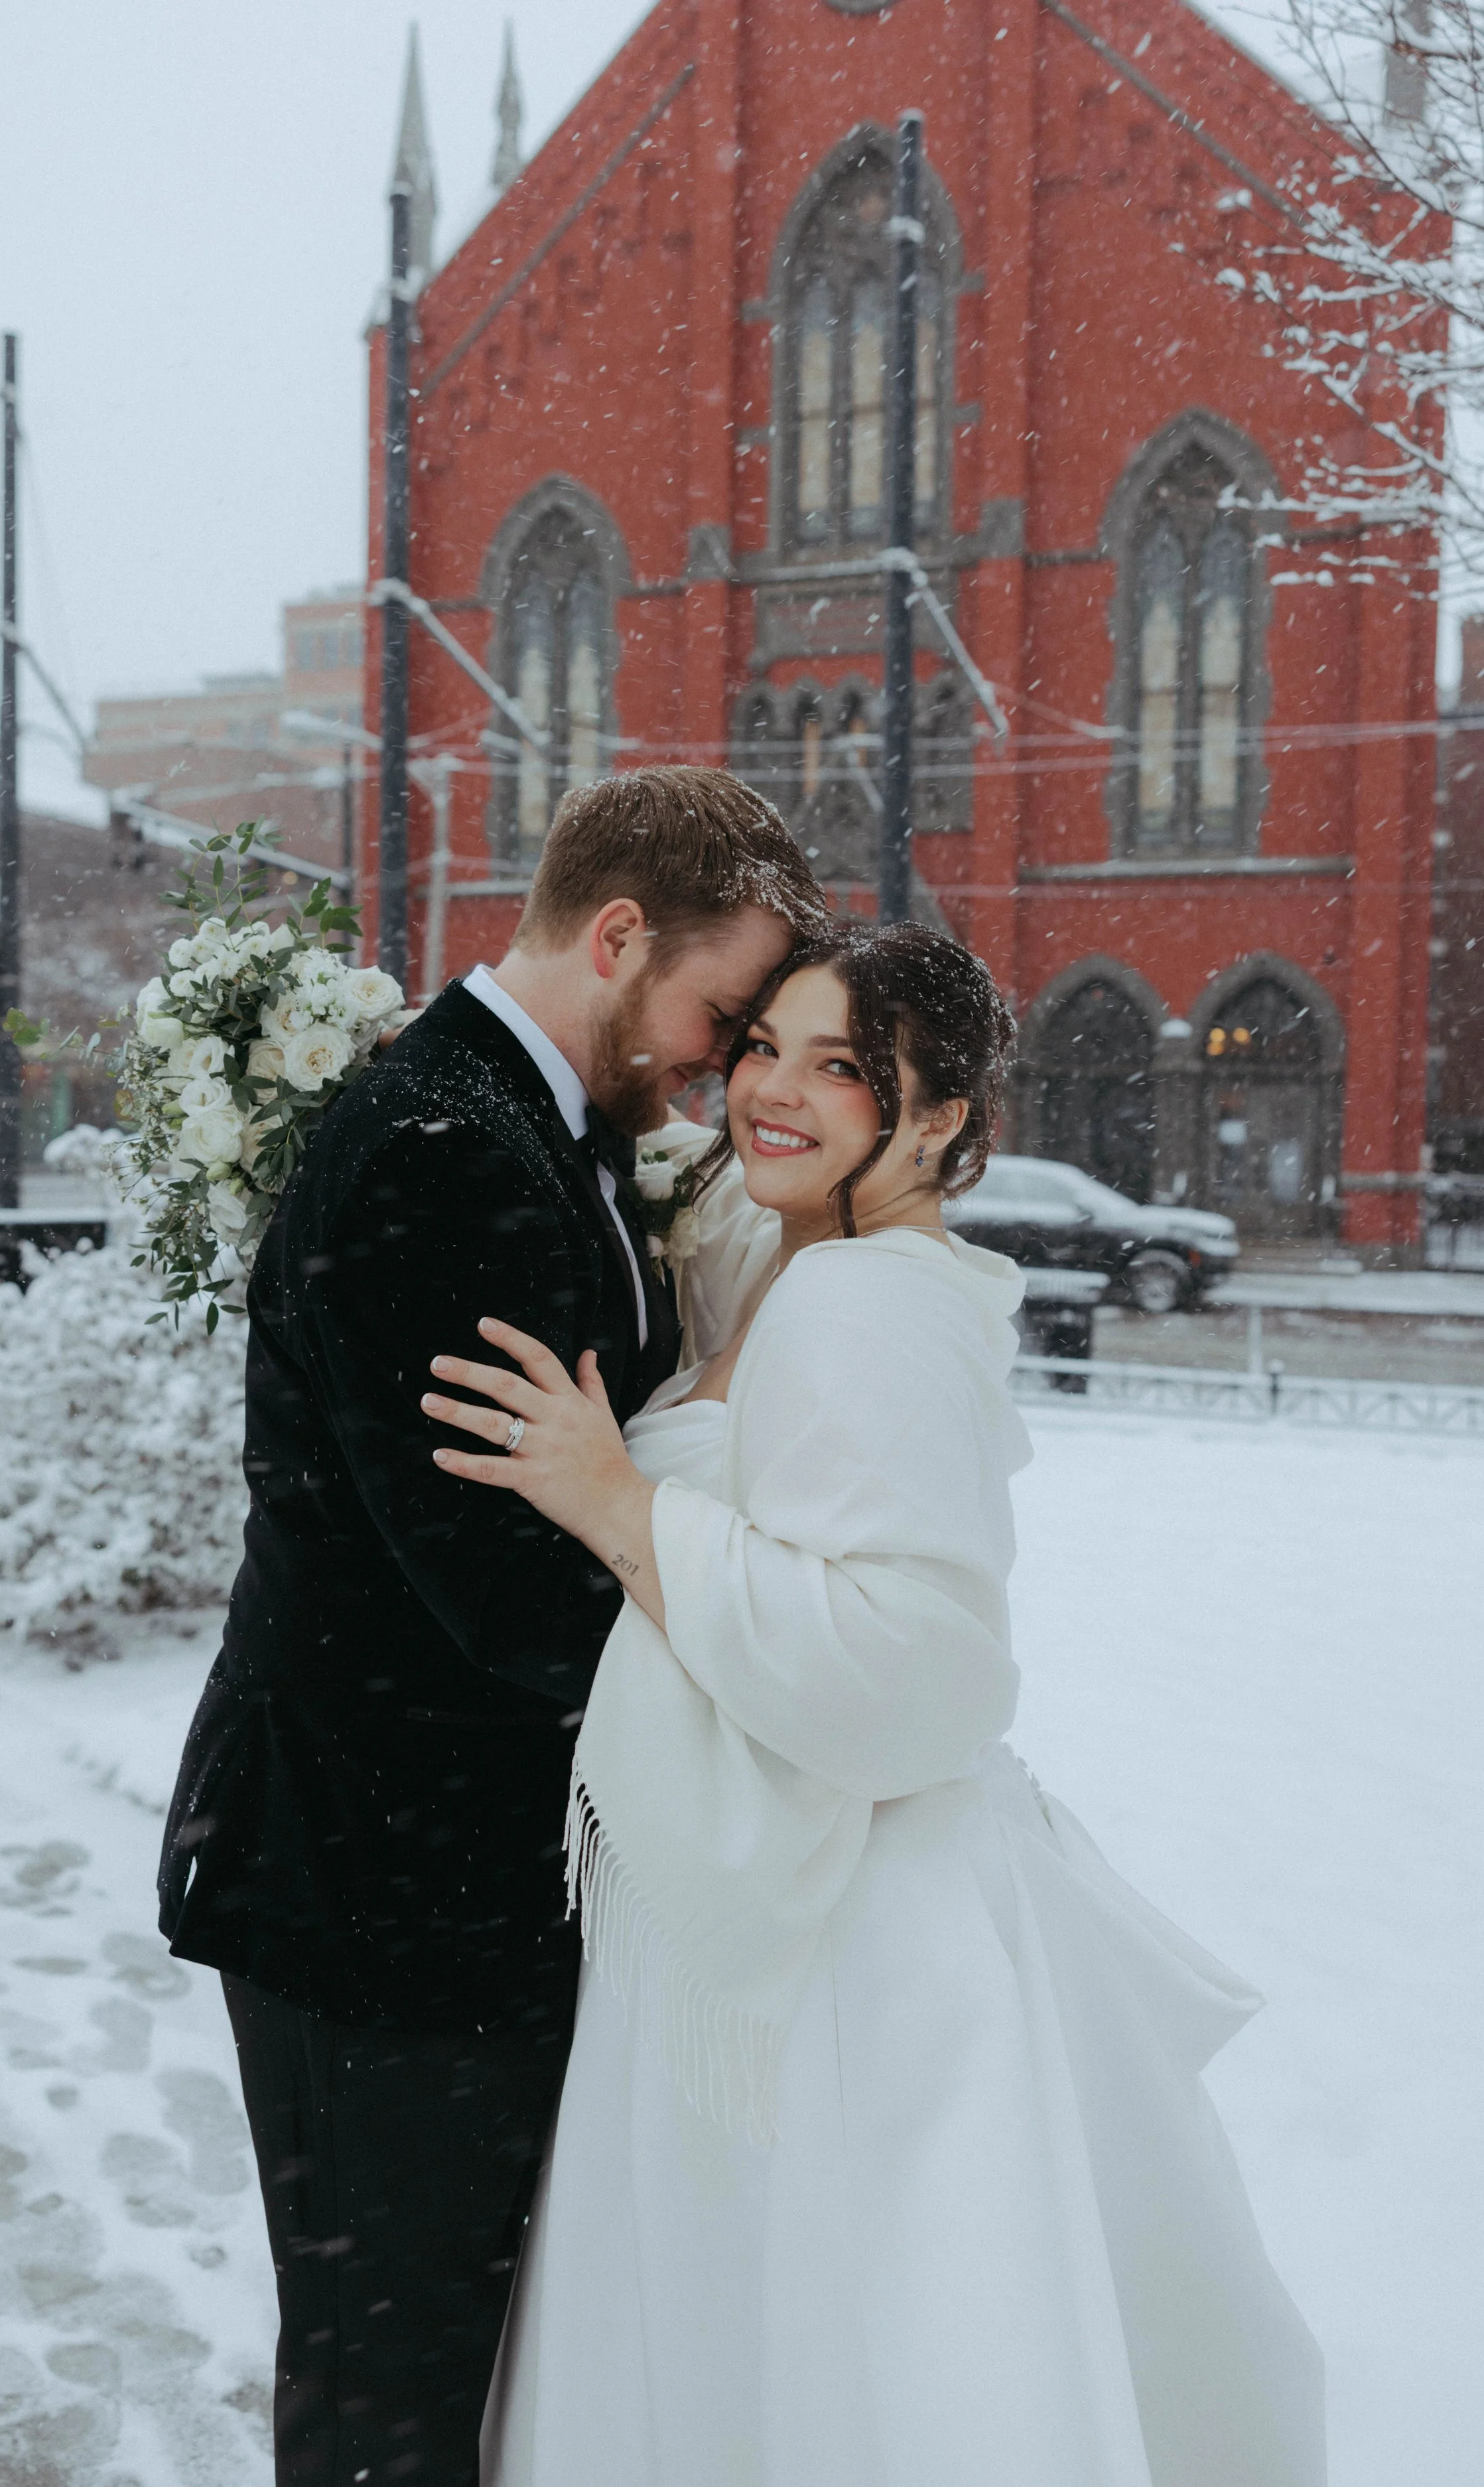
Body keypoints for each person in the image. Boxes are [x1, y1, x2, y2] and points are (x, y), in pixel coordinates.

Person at [425, 919, 1326, 2487]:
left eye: (840, 1065)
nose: (770, 1087)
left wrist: (614, 1500)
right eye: (763, 1041)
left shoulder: (863, 1302)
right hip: (775, 1881)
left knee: (826, 2344)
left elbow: (915, 1672)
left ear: (939, 1122)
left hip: (840, 1928)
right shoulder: (793, 1254)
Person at [157, 765, 825, 2487]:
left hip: (444, 1888)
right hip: (377, 1894)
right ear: (615, 934)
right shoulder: (438, 1153)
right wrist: (779, 1646)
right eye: (717, 1007)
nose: (724, 1054)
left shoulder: (530, 1130)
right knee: (390, 2398)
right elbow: (516, 1598)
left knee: (453, 2370)